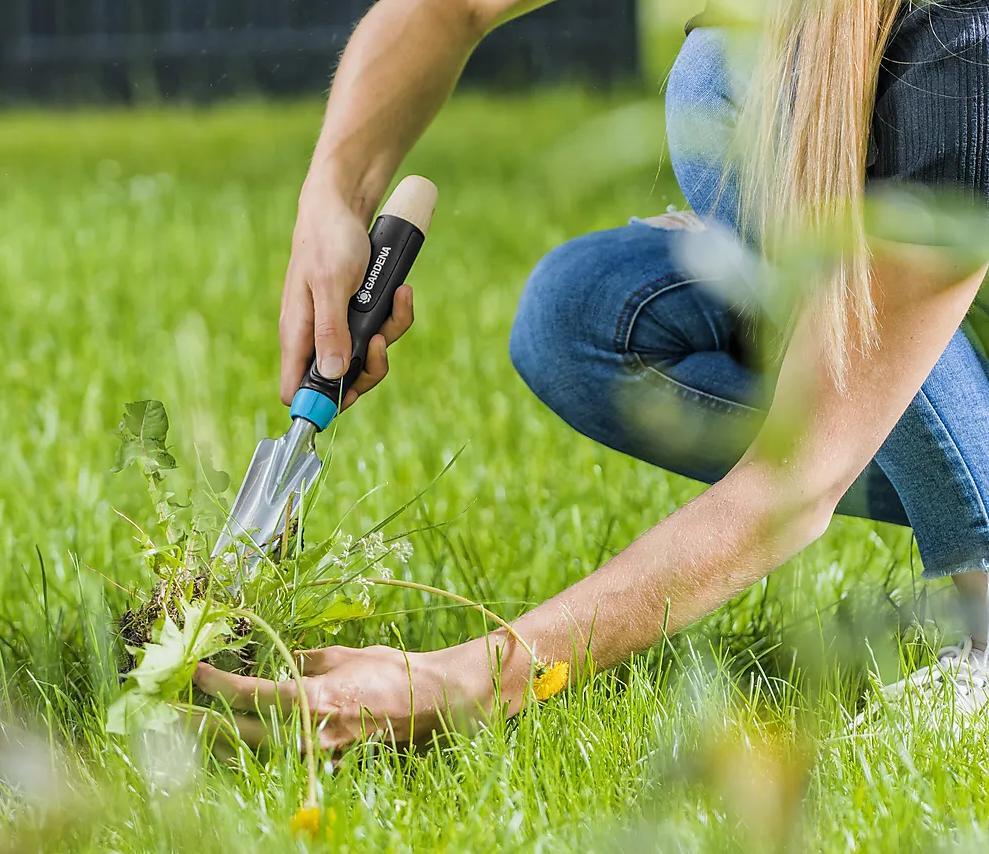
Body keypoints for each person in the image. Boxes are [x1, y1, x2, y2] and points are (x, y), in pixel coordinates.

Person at [195, 0, 989, 748]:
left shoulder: (965, 51)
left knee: (727, 84)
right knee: (583, 313)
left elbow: (796, 478)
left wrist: (472, 679)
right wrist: (332, 194)